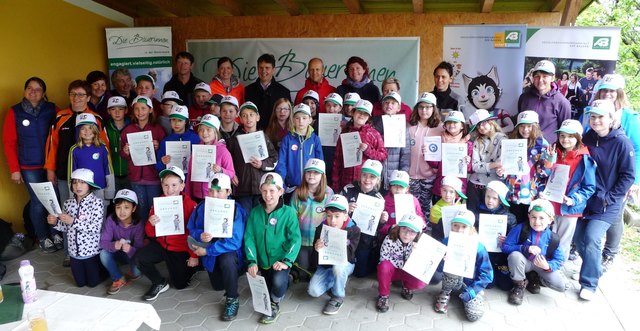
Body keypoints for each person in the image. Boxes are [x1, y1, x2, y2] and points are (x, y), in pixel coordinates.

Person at [575, 99, 635, 301]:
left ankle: (589, 283)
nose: (596, 121)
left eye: (600, 116)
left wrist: (610, 197)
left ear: (611, 118)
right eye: (592, 116)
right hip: (586, 198)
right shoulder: (588, 137)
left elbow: (628, 176)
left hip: (608, 202)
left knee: (591, 238)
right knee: (578, 239)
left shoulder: (622, 142)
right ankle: (593, 268)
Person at [589, 74, 640, 270]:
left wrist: (635, 181)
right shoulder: (592, 112)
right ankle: (581, 246)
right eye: (604, 90)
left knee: (615, 215)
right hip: (596, 174)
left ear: (619, 93)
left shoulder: (630, 118)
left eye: (612, 90)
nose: (608, 94)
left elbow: (638, 148)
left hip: (621, 176)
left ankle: (609, 252)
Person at [3, 77, 58, 253]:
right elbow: (9, 142)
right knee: (37, 203)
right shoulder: (15, 112)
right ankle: (42, 237)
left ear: (44, 93)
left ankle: (56, 232)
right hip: (29, 166)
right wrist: (14, 170)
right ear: (24, 91)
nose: (33, 91)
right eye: (29, 88)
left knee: (54, 200)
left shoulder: (51, 109)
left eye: (38, 89)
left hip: (51, 165)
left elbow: (58, 135)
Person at [187, 173, 247, 321]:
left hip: (229, 253)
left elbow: (235, 241)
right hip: (211, 257)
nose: (214, 194)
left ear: (228, 192)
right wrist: (201, 234)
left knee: (227, 259)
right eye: (211, 190)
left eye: (219, 191)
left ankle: (232, 299)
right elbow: (192, 229)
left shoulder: (236, 210)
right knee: (218, 285)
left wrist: (208, 250)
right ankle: (230, 275)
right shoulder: (201, 207)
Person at [244, 172, 301, 324]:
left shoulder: (288, 213)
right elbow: (249, 238)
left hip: (280, 262)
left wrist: (286, 261)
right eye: (264, 190)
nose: (267, 195)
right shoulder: (255, 212)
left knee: (276, 285)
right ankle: (287, 280)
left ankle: (275, 303)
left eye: (272, 191)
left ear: (281, 191)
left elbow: (295, 239)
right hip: (262, 262)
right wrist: (252, 261)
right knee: (266, 286)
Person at [136, 166, 198, 300]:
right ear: (162, 186)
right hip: (162, 245)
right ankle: (159, 282)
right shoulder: (158, 203)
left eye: (174, 185)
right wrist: (151, 224)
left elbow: (195, 233)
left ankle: (193, 267)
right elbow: (150, 233)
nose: (170, 190)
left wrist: (194, 255)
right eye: (166, 185)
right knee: (139, 258)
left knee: (180, 284)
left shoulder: (190, 205)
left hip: (181, 249)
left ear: (182, 186)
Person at [47, 169, 104, 287]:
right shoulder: (68, 204)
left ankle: (104, 269)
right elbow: (65, 227)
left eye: (82, 182)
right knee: (80, 283)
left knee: (93, 283)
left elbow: (95, 228)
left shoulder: (97, 203)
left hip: (91, 252)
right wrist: (55, 222)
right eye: (75, 182)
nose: (78, 186)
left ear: (90, 185)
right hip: (74, 253)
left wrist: (73, 221)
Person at [502, 199, 566, 305]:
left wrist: (547, 266)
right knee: (515, 256)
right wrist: (524, 249)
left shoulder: (553, 238)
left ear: (550, 220)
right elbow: (505, 246)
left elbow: (560, 259)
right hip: (524, 263)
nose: (537, 222)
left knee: (561, 286)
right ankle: (519, 285)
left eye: (542, 218)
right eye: (533, 217)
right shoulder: (521, 228)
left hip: (541, 266)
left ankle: (535, 278)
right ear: (529, 216)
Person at [434, 209, 493, 322]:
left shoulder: (479, 247)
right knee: (450, 266)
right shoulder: (446, 242)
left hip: (471, 285)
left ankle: (471, 294)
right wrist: (442, 261)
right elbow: (438, 268)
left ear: (471, 229)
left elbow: (487, 274)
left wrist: (473, 290)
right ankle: (446, 292)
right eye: (455, 225)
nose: (459, 230)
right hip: (452, 281)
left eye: (464, 226)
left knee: (474, 315)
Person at [307, 194, 360, 315]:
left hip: (345, 264)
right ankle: (337, 280)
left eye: (337, 216)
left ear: (345, 215)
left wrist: (338, 242)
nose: (333, 221)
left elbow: (350, 256)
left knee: (338, 268)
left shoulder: (354, 230)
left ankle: (338, 296)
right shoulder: (321, 228)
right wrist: (316, 249)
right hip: (326, 265)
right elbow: (314, 261)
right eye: (329, 216)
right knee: (313, 291)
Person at [226, 102, 278, 213]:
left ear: (257, 117)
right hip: (242, 188)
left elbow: (274, 159)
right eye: (244, 115)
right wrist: (231, 175)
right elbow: (227, 162)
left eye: (251, 114)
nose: (248, 118)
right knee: (245, 218)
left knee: (259, 218)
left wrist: (262, 164)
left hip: (261, 189)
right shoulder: (234, 140)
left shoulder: (264, 138)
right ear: (240, 119)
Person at [120, 96, 167, 220]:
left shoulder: (158, 129)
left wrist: (158, 147)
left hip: (153, 177)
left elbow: (165, 154)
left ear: (150, 110)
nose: (140, 112)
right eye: (136, 109)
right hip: (135, 178)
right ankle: (142, 236)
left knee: (154, 208)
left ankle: (153, 237)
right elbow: (123, 155)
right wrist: (125, 151)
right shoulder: (128, 130)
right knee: (140, 209)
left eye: (143, 108)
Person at [290, 159, 333, 281]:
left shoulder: (329, 193)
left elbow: (332, 217)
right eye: (308, 172)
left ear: (322, 176)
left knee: (317, 270)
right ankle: (296, 273)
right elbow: (292, 216)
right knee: (304, 273)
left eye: (316, 172)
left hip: (320, 240)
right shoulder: (298, 192)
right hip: (302, 239)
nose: (311, 175)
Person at [340, 159, 384, 277]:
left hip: (365, 240)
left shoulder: (379, 199)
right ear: (360, 175)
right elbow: (335, 211)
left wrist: (382, 221)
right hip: (346, 235)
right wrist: (346, 209)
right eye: (364, 175)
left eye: (372, 177)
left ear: (378, 180)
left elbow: (377, 228)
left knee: (360, 273)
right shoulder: (348, 189)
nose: (367, 180)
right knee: (342, 265)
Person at [332, 99, 387, 192]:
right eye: (359, 112)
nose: (361, 115)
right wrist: (335, 185)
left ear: (369, 117)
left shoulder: (374, 134)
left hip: (366, 183)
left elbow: (383, 155)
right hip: (346, 181)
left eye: (365, 114)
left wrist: (368, 150)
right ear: (353, 113)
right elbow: (337, 161)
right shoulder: (344, 133)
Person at [376, 212, 427, 312]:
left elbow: (424, 265)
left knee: (422, 281)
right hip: (393, 271)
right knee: (383, 266)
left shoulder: (420, 243)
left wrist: (417, 254)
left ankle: (407, 286)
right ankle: (383, 295)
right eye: (404, 229)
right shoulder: (389, 239)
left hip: (408, 271)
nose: (407, 234)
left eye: (412, 232)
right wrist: (399, 266)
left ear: (418, 233)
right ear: (399, 228)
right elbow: (384, 257)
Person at [504, 111, 549, 221]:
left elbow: (545, 173)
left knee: (528, 226)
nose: (525, 129)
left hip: (531, 194)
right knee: (513, 223)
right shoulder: (511, 141)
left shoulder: (542, 145)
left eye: (529, 126)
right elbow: (506, 166)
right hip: (513, 192)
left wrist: (549, 159)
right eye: (522, 126)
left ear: (536, 127)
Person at [99, 189, 144, 295]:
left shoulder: (139, 224)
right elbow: (103, 242)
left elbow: (140, 248)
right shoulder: (111, 220)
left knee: (136, 273)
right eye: (118, 207)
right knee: (103, 254)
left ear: (134, 208)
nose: (122, 212)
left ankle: (133, 272)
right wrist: (114, 245)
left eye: (126, 207)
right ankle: (118, 278)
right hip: (118, 253)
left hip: (133, 255)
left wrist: (130, 249)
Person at [407, 92, 444, 217]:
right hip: (411, 175)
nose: (424, 110)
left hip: (429, 176)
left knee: (426, 207)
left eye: (428, 107)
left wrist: (434, 169)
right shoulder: (409, 126)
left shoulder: (441, 129)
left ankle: (425, 230)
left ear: (434, 109)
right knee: (411, 206)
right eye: (421, 107)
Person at [517, 60, 571, 144]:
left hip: (547, 152)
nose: (540, 80)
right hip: (524, 148)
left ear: (552, 78)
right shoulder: (524, 97)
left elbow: (565, 132)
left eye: (545, 76)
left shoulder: (562, 102)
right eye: (537, 76)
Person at [275, 103, 323, 194]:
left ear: (310, 119)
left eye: (304, 118)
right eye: (297, 118)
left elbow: (320, 163)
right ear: (293, 120)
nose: (301, 121)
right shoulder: (287, 139)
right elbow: (281, 163)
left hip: (310, 186)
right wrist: (282, 183)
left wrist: (319, 184)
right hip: (291, 187)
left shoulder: (315, 139)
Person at [185, 114, 235, 202]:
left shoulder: (223, 151)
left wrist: (221, 170)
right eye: (201, 130)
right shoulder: (196, 150)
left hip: (215, 196)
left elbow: (231, 173)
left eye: (208, 130)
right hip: (197, 196)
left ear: (215, 131)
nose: (204, 133)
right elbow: (190, 175)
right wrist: (189, 196)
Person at [69, 113, 113, 209]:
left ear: (95, 130)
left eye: (90, 128)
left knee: (101, 218)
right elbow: (71, 172)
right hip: (82, 190)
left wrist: (110, 190)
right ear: (78, 131)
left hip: (101, 188)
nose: (87, 131)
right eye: (83, 128)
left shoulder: (102, 147)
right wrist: (72, 192)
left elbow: (108, 169)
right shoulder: (74, 149)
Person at [429, 110, 472, 202]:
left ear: (462, 126)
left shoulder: (468, 144)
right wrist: (428, 154)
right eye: (449, 122)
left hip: (457, 189)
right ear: (445, 125)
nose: (451, 124)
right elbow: (435, 164)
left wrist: (467, 163)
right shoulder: (439, 140)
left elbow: (469, 169)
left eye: (455, 122)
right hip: (441, 186)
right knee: (438, 213)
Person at [371, 92, 410, 192]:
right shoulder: (373, 123)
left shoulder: (403, 127)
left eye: (393, 103)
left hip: (393, 176)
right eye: (386, 102)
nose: (389, 105)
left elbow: (406, 155)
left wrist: (401, 176)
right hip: (374, 174)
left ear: (398, 107)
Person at [468, 109, 506, 210]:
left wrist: (488, 165)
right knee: (473, 217)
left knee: (490, 219)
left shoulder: (503, 139)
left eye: (483, 123)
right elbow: (475, 166)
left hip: (493, 188)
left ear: (491, 122)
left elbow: (502, 164)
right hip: (474, 186)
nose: (480, 127)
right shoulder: (477, 141)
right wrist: (493, 165)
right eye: (478, 125)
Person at [245, 53, 291, 130]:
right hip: (254, 134)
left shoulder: (284, 92)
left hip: (277, 135)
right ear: (257, 68)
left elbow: (288, 118)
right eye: (261, 67)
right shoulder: (248, 90)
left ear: (273, 70)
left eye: (267, 68)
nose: (263, 71)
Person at [155, 105, 200, 174]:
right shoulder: (165, 141)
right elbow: (157, 167)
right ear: (170, 121)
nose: (176, 123)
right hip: (172, 180)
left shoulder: (195, 139)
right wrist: (162, 162)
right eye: (173, 120)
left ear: (185, 121)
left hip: (189, 181)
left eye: (180, 120)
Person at [378, 170, 424, 238]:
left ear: (407, 188)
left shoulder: (413, 201)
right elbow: (379, 227)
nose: (397, 189)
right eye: (394, 185)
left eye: (401, 186)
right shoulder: (384, 201)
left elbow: (420, 217)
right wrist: (389, 227)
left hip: (408, 236)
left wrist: (422, 224)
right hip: (389, 236)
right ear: (390, 187)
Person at [430, 176, 467, 241]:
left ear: (457, 194)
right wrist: (451, 211)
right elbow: (440, 228)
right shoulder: (435, 209)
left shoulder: (459, 205)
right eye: (444, 190)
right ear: (440, 190)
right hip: (441, 240)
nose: (447, 194)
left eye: (451, 192)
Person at [321, 93, 344, 188]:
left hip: (338, 160)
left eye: (335, 106)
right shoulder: (318, 122)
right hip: (323, 157)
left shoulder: (346, 124)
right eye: (328, 105)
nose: (331, 109)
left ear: (340, 108)